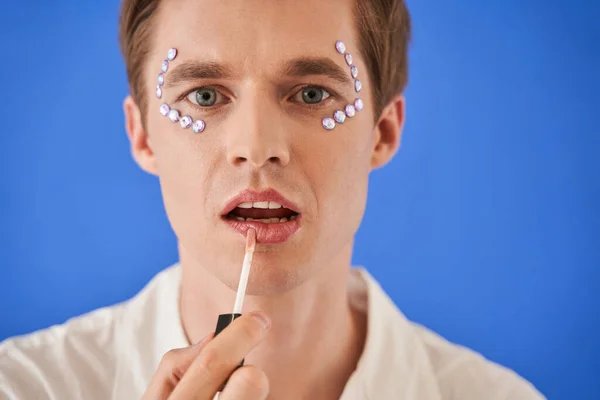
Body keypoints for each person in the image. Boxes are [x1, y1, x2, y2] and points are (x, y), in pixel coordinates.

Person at [0, 0, 546, 399]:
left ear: (382, 132)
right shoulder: (24, 386)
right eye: (205, 96)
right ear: (141, 135)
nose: (257, 149)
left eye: (312, 94)